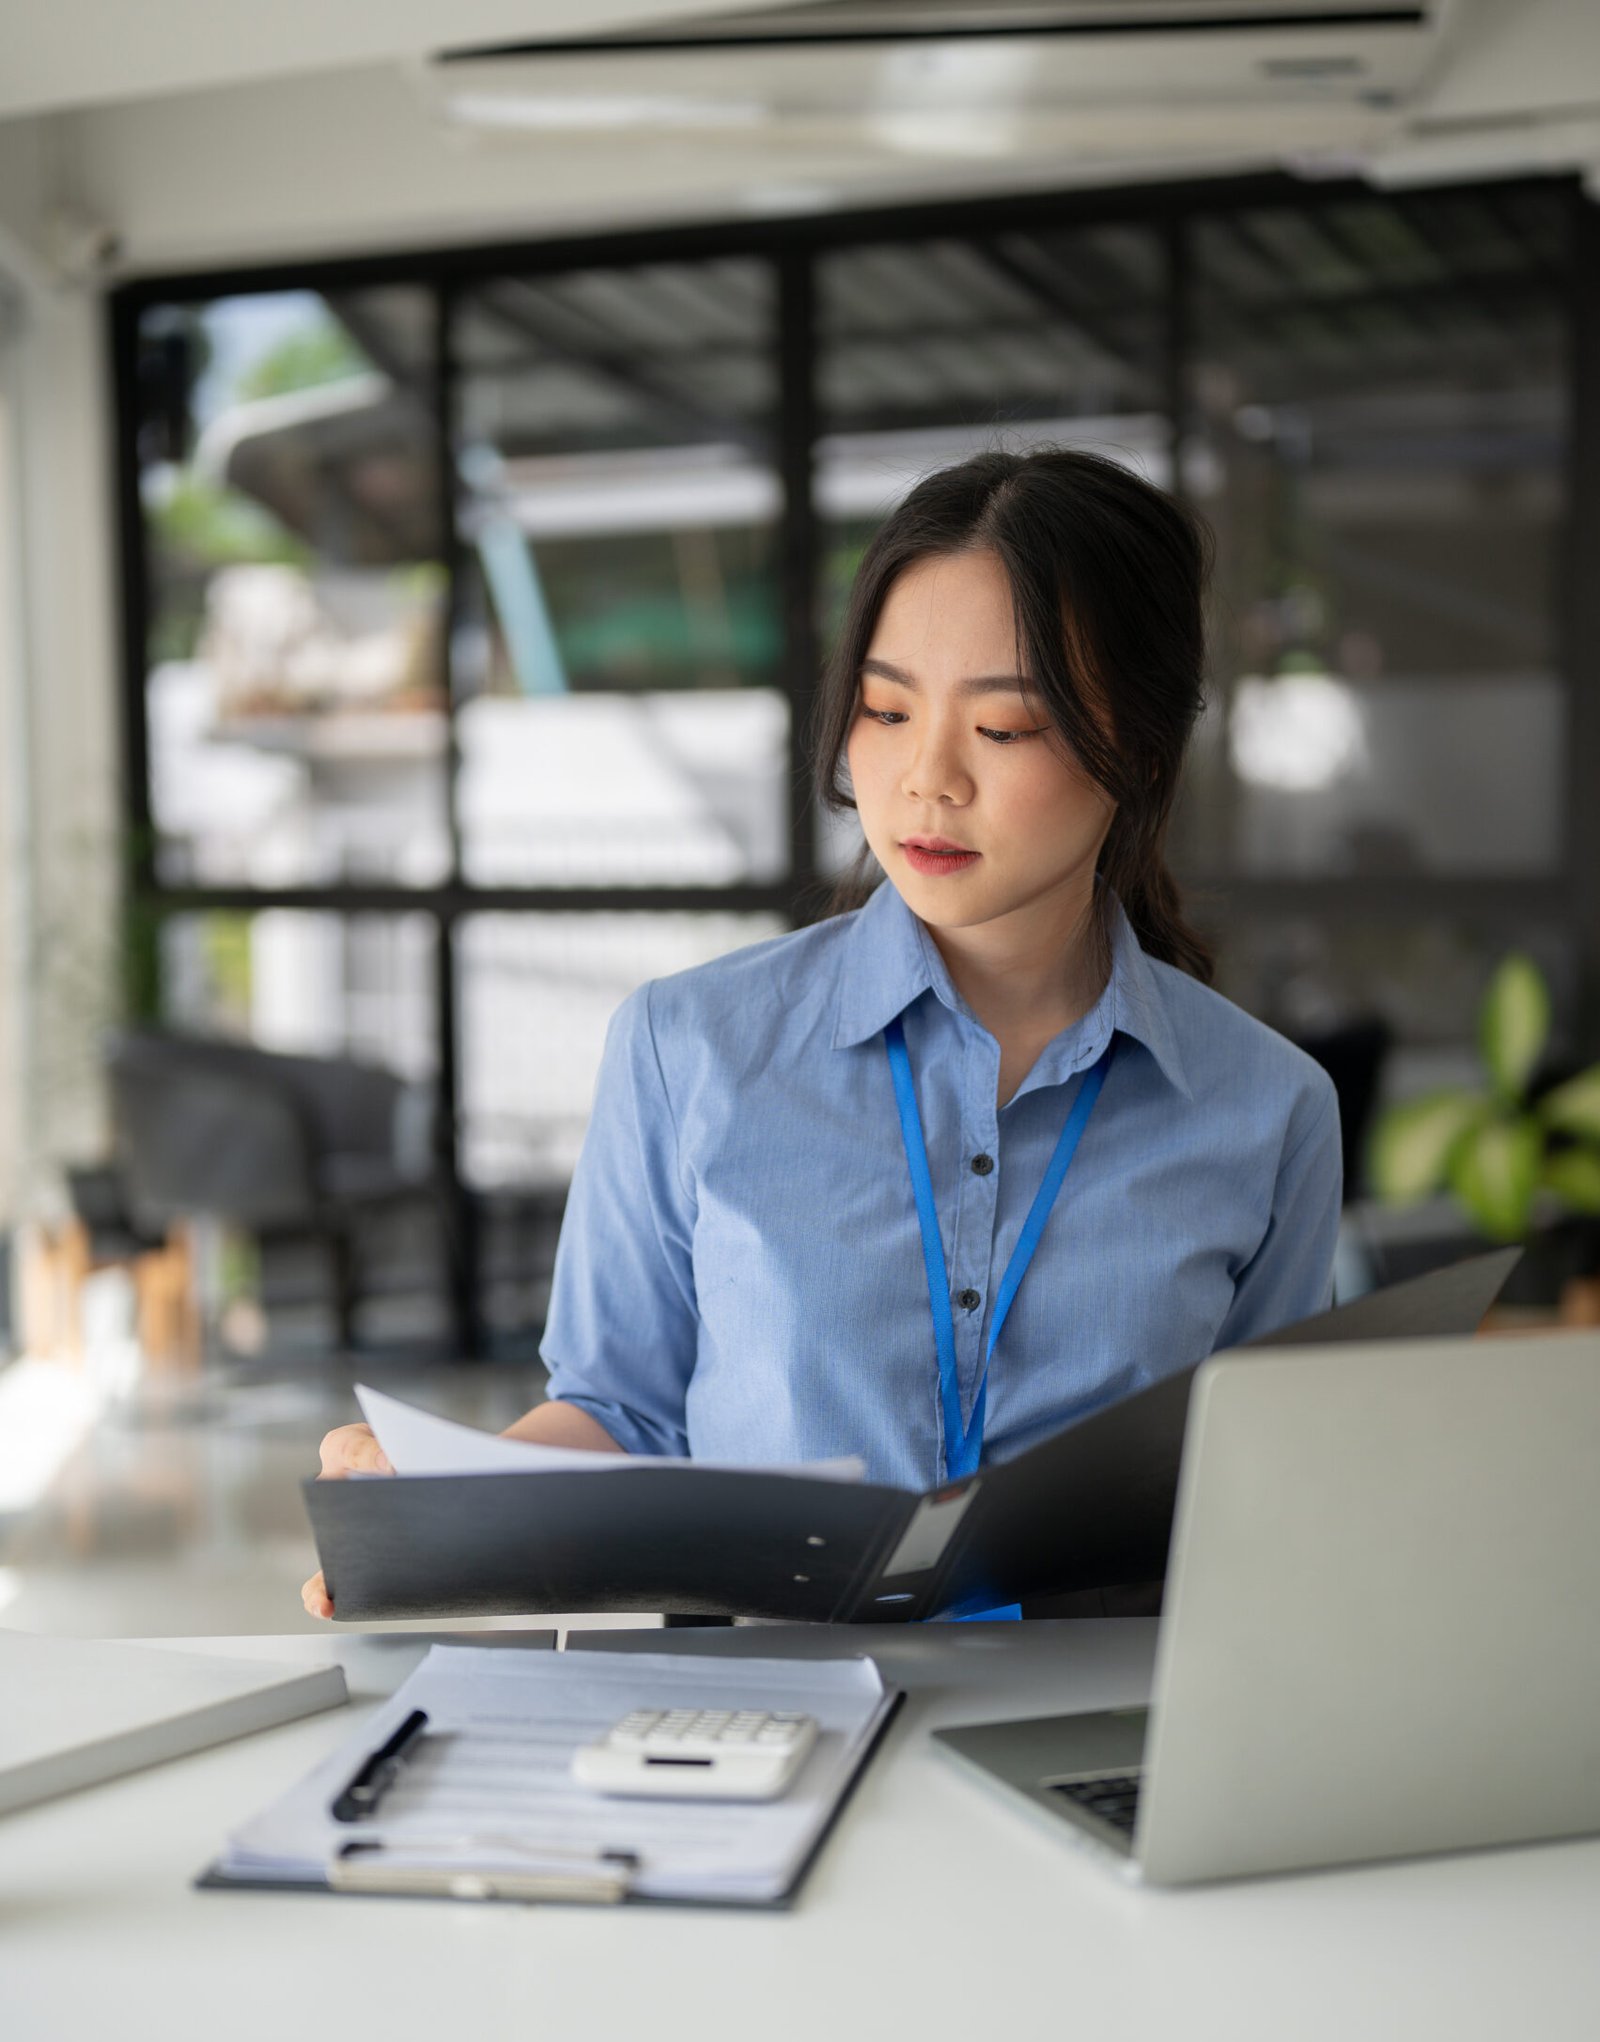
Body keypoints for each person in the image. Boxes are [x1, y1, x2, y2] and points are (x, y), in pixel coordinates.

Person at [303, 447, 1340, 1619]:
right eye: (886, 711)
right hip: (759, 1711)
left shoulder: (1269, 1107)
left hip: (1101, 1726)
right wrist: (441, 1500)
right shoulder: (685, 1045)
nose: (923, 780)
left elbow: (1274, 1492)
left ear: (1139, 752)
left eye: (1001, 728)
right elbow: (624, 1409)